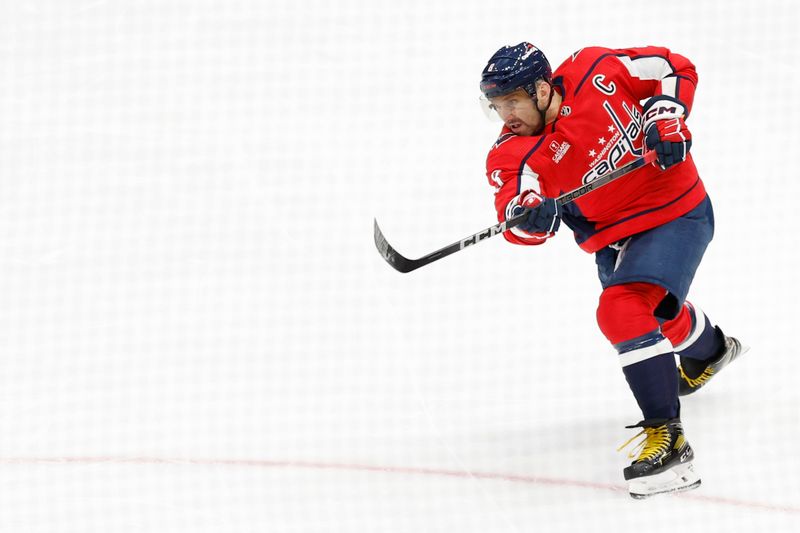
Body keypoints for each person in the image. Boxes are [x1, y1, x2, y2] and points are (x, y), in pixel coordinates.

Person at [479, 42, 747, 499]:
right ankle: (711, 351)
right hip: (615, 242)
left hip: (676, 210)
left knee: (621, 310)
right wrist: (528, 216)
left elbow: (671, 66)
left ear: (542, 89)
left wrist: (667, 115)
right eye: (496, 105)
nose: (506, 115)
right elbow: (516, 219)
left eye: (512, 101)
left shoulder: (595, 68)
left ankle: (671, 443)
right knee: (655, 316)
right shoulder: (513, 153)